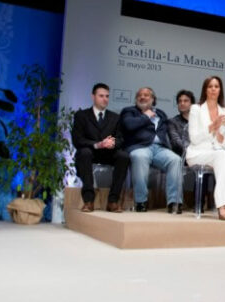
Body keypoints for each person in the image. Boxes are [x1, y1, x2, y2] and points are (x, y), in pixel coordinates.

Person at [186, 76, 225, 220]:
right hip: (197, 153)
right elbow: (194, 139)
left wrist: (218, 132)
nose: (213, 89)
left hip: (216, 152)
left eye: (216, 86)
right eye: (210, 86)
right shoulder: (196, 109)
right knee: (221, 155)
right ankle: (223, 205)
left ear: (220, 90)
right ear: (205, 90)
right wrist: (213, 126)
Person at [120, 87, 183, 213]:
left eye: (146, 95)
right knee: (140, 157)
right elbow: (129, 125)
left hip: (159, 148)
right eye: (139, 95)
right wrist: (146, 116)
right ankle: (141, 202)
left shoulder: (161, 113)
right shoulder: (129, 111)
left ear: (153, 99)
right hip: (140, 146)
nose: (142, 97)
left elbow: (164, 131)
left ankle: (174, 202)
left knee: (176, 160)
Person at [71, 83, 129, 213]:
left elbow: (121, 139)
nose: (105, 99)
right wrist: (98, 144)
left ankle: (113, 201)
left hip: (109, 153)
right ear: (93, 97)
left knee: (124, 156)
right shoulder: (81, 115)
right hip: (90, 151)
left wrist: (112, 143)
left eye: (107, 96)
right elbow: (77, 140)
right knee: (84, 153)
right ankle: (88, 201)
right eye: (101, 96)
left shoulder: (115, 117)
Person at [167, 89, 195, 157]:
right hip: (182, 156)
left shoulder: (198, 121)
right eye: (180, 101)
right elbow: (176, 142)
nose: (182, 103)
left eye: (185, 101)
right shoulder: (172, 122)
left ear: (192, 104)